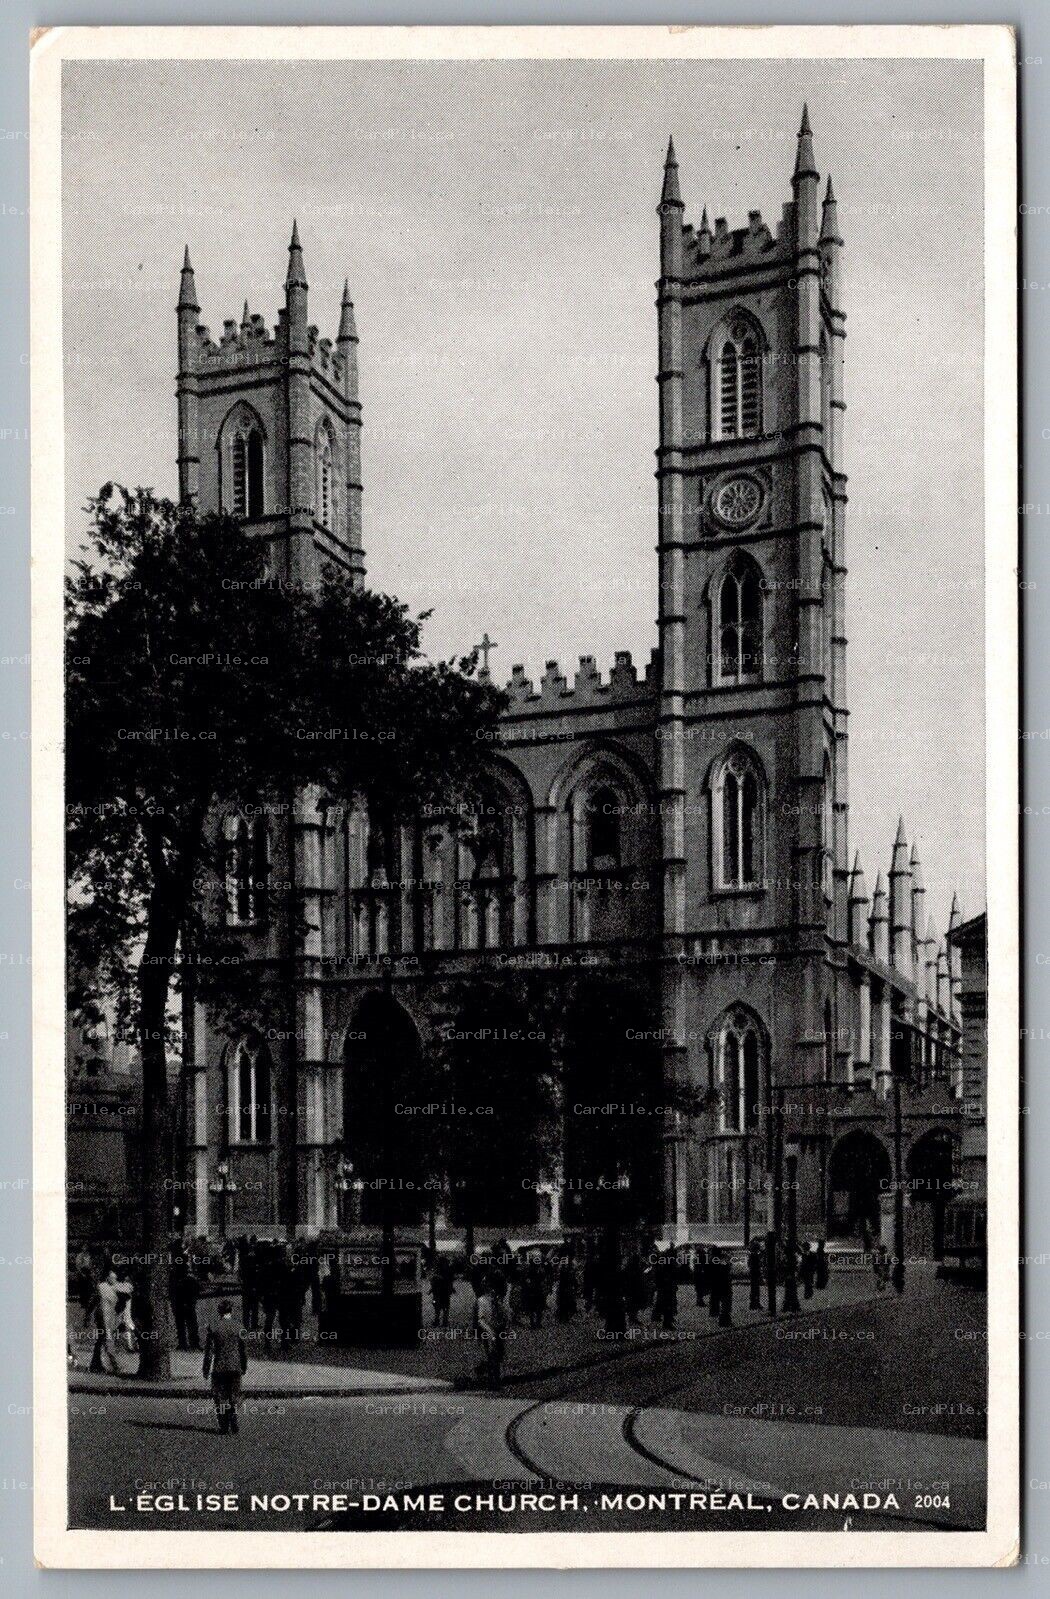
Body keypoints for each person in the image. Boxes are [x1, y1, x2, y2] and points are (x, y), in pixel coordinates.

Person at [203, 1299, 248, 1434]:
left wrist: (206, 1368)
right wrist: (244, 1366)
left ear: (219, 1312)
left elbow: (209, 1351)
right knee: (234, 1394)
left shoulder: (214, 1327)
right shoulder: (239, 1327)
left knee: (220, 1396)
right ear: (231, 1311)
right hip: (235, 1366)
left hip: (219, 1367)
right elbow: (243, 1350)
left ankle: (223, 1424)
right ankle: (233, 1416)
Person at [85, 1269, 132, 1373]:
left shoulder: (116, 1286)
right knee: (108, 1339)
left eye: (115, 1278)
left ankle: (95, 1364)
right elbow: (92, 1301)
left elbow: (128, 1290)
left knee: (101, 1340)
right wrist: (87, 1316)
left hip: (111, 1317)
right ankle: (116, 1366)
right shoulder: (101, 1287)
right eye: (112, 1278)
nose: (114, 1280)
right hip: (103, 1317)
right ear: (107, 1278)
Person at [473, 1275, 506, 1389]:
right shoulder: (481, 1301)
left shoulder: (497, 1300)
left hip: (498, 1330)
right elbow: (480, 1319)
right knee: (492, 1356)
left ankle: (491, 1376)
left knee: (498, 1355)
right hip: (487, 1332)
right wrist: (489, 1332)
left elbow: (503, 1315)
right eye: (489, 1287)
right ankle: (493, 1380)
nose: (492, 1290)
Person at [652, 1250, 677, 1331]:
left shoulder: (661, 1263)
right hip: (666, 1287)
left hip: (664, 1286)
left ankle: (660, 1318)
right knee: (667, 1304)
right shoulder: (666, 1263)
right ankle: (667, 1322)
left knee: (662, 1303)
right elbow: (671, 1274)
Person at [429, 1254, 453, 1329]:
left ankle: (437, 1321)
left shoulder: (438, 1269)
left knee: (437, 1307)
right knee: (445, 1307)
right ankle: (444, 1322)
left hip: (438, 1292)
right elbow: (451, 1280)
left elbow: (434, 1281)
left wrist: (432, 1288)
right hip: (445, 1292)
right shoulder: (448, 1269)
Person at [555, 1253, 578, 1324]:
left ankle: (564, 1318)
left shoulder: (567, 1268)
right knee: (564, 1303)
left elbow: (573, 1279)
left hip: (566, 1288)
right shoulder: (564, 1269)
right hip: (565, 1288)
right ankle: (563, 1318)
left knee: (567, 1303)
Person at [747, 1237, 764, 1311]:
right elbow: (758, 1265)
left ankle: (753, 1304)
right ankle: (755, 1303)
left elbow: (749, 1265)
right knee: (756, 1289)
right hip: (756, 1274)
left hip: (753, 1274)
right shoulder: (755, 1256)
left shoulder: (751, 1255)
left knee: (754, 1289)